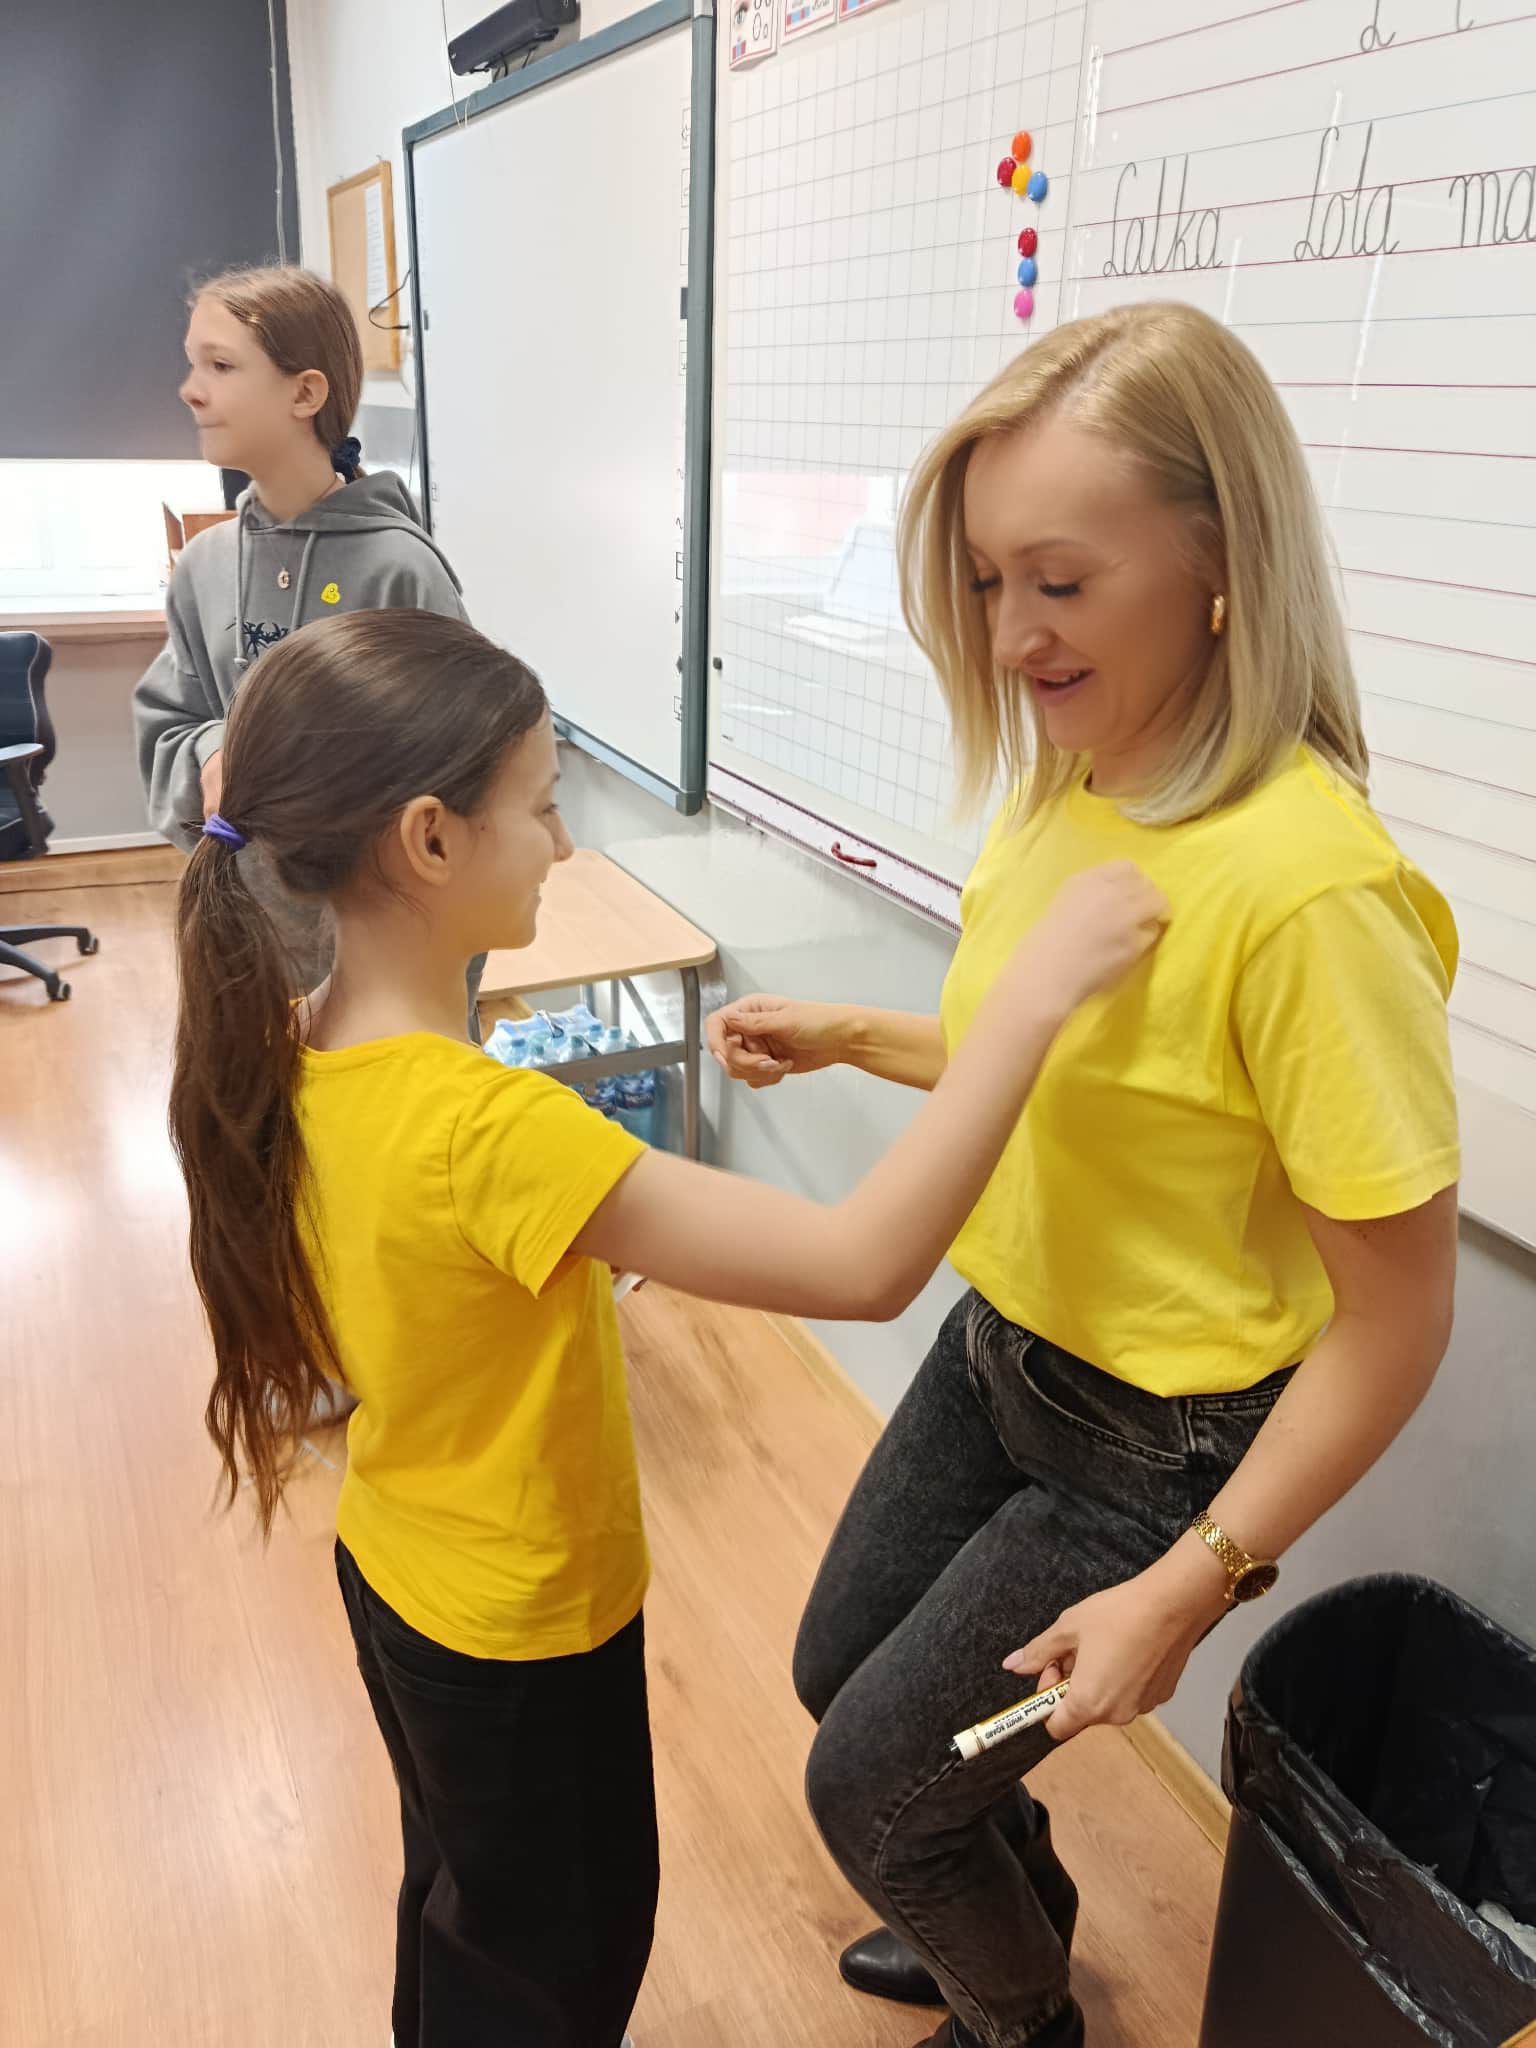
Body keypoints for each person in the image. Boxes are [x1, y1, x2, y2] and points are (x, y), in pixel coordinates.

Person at [166, 605, 1166, 2048]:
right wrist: (1038, 999)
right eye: (542, 807)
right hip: (521, 1629)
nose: (565, 843)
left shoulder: (300, 1037)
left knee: (463, 1902)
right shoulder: (485, 1130)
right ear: (430, 840)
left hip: (398, 1568)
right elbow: (864, 1262)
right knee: (558, 1959)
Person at [707, 301, 1461, 2048]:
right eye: (988, 582)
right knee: (842, 1683)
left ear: (1222, 567)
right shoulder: (1076, 772)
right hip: (1006, 1346)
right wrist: (857, 1033)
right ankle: (1005, 1901)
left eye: (1059, 581)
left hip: (1156, 1437)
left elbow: (1396, 1322)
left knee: (868, 1790)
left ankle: (1022, 2020)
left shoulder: (1309, 894)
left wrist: (1189, 1585)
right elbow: (1082, 1065)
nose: (1009, 636)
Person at [132, 263, 479, 1026]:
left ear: (305, 393)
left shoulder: (399, 570)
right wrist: (214, 754)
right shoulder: (204, 568)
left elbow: (469, 787)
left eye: (220, 366)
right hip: (243, 956)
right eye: (193, 364)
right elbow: (168, 728)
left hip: (385, 979)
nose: (190, 390)